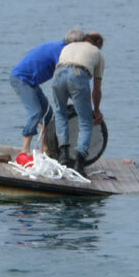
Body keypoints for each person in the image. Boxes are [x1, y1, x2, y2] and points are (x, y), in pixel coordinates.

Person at [11, 29, 87, 154]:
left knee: (47, 115)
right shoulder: (61, 51)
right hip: (21, 79)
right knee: (35, 113)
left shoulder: (61, 49)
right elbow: (63, 75)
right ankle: (24, 150)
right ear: (74, 43)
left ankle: (44, 148)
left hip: (32, 82)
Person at [51, 31, 104, 177]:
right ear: (98, 44)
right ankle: (79, 163)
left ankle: (63, 156)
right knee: (86, 121)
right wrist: (97, 110)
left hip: (58, 74)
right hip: (78, 74)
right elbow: (97, 90)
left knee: (61, 113)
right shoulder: (97, 53)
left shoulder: (69, 46)